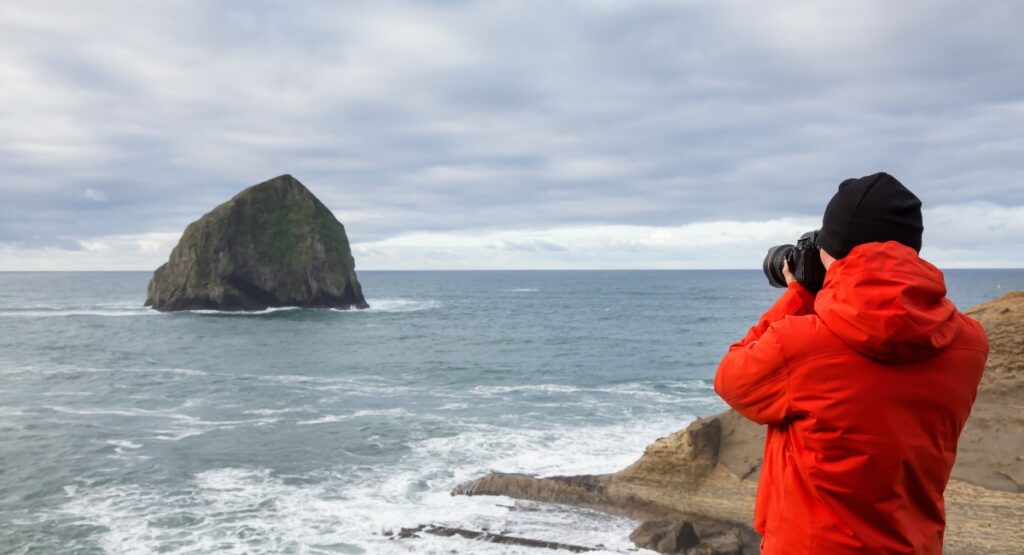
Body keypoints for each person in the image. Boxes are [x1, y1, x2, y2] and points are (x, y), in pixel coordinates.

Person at [714, 172, 988, 554]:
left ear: (832, 250)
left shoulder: (799, 344)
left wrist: (800, 295)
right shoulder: (970, 343)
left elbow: (731, 379)